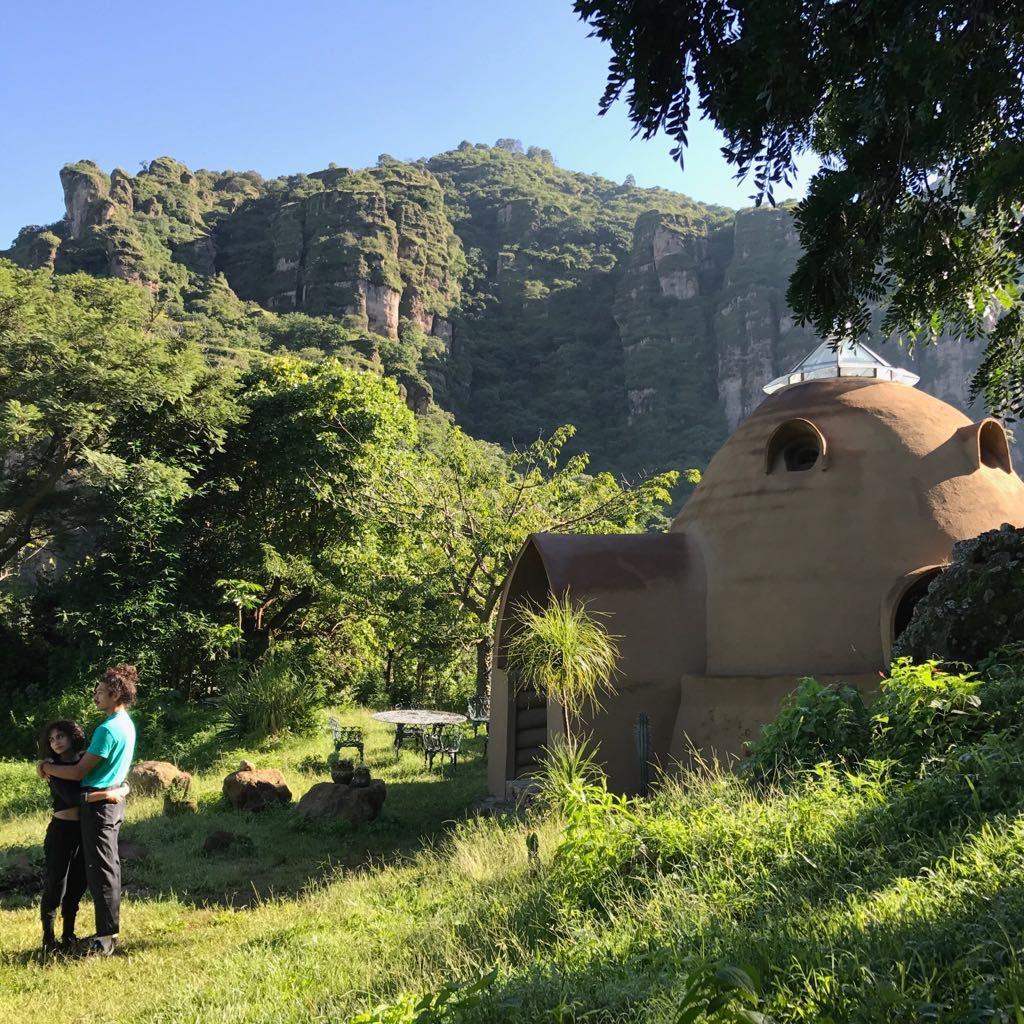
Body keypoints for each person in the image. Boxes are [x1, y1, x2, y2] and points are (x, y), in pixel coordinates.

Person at [40, 664, 137, 957]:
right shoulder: (126, 723)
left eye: (100, 691)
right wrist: (121, 789)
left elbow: (80, 771)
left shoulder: (108, 728)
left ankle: (105, 939)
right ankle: (102, 934)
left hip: (99, 807)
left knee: (101, 872)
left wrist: (46, 767)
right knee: (104, 868)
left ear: (115, 693)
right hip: (108, 801)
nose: (95, 696)